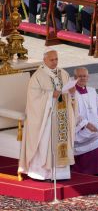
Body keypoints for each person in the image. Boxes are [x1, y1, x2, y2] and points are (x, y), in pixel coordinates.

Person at [19, 48, 76, 181]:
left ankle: (61, 174)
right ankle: (42, 173)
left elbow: (70, 94)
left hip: (62, 115)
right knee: (46, 143)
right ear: (44, 60)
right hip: (46, 118)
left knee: (61, 142)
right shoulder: (38, 76)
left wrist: (72, 92)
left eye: (56, 59)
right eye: (51, 59)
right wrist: (51, 95)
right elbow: (33, 98)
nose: (55, 62)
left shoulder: (64, 73)